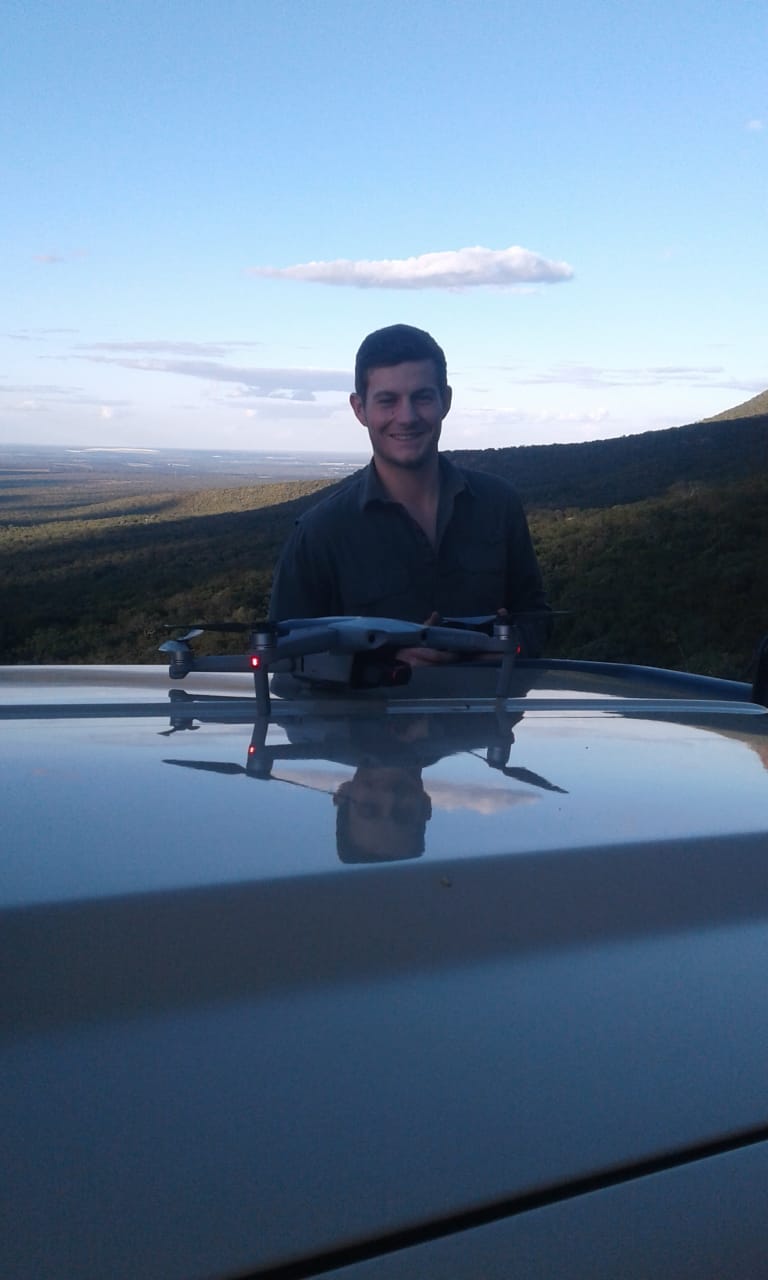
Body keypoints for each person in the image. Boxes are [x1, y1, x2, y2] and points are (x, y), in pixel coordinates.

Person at [269, 324, 551, 658]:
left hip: (487, 711)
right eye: (388, 401)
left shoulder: (499, 505)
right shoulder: (320, 533)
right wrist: (383, 668)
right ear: (360, 409)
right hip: (367, 713)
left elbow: (537, 620)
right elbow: (282, 659)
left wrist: (508, 646)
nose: (407, 417)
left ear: (445, 400)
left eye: (422, 397)